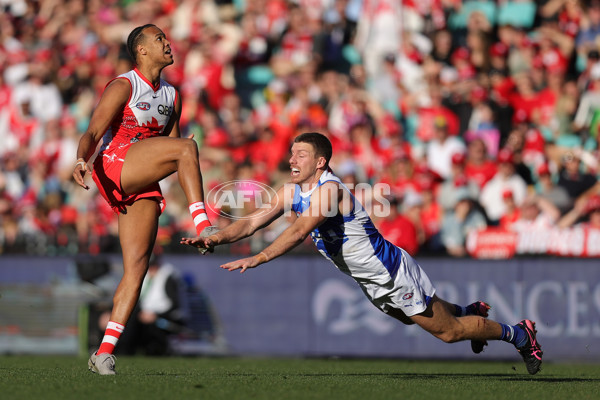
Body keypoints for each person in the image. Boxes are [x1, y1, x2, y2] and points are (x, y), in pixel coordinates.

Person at [181, 132, 543, 375]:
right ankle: (470, 312)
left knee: (447, 333)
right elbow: (250, 223)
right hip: (371, 280)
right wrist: (215, 238)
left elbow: (297, 231)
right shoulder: (291, 190)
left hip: (389, 272)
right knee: (412, 319)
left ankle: (520, 334)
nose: (292, 159)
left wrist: (257, 258)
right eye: (292, 152)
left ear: (320, 162)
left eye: (301, 154)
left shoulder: (329, 191)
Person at [73, 24, 216, 375]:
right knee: (187, 148)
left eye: (167, 38)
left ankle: (103, 354)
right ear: (141, 50)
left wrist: (183, 158)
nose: (168, 43)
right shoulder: (125, 85)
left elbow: (175, 158)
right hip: (116, 162)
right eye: (159, 39)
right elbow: (93, 131)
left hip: (142, 179)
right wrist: (80, 159)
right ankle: (205, 224)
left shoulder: (172, 95)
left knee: (136, 269)